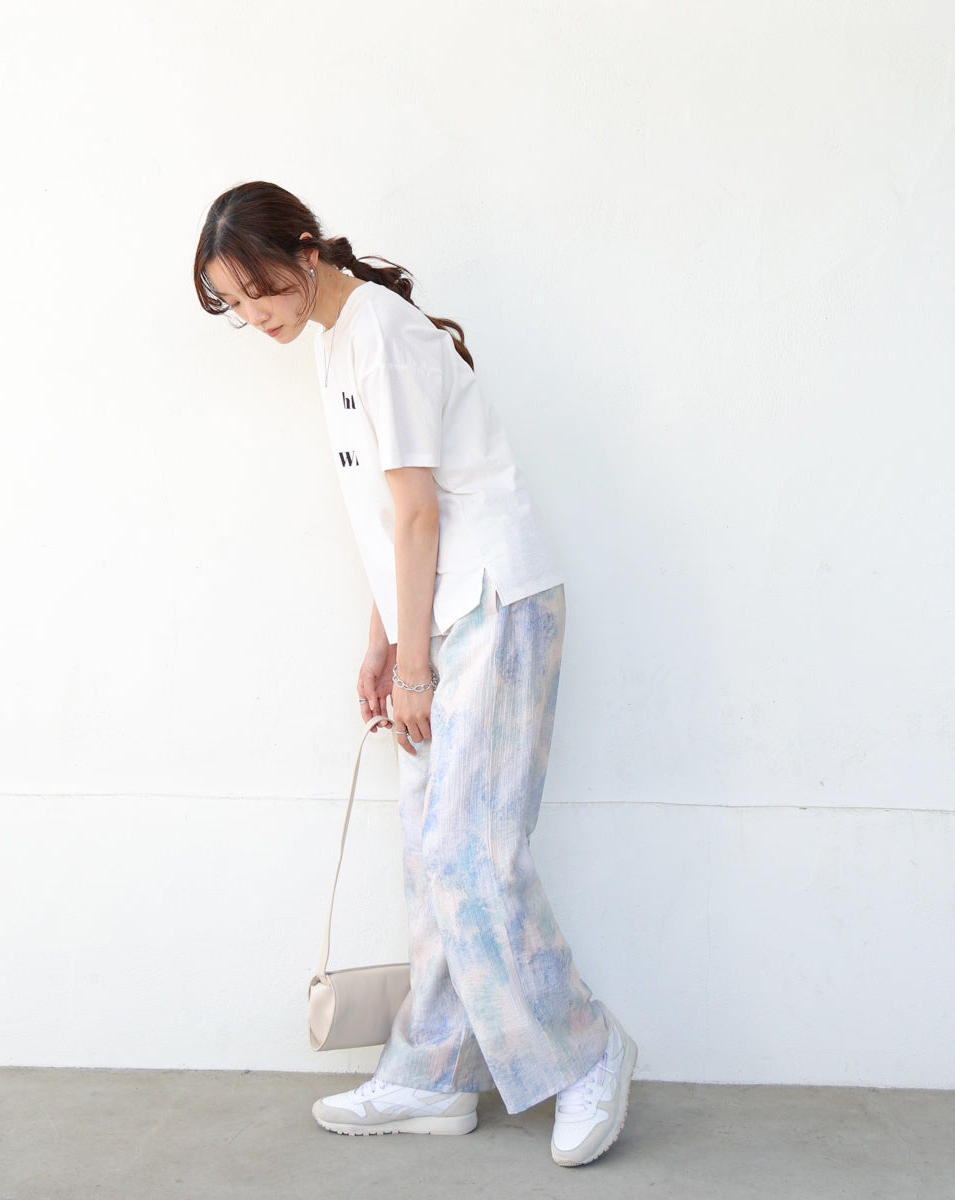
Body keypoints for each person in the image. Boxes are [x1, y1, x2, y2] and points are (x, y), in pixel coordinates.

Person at [193, 182, 636, 1167]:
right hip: (439, 615)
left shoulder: (381, 336)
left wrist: (417, 667)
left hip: (494, 604)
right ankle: (435, 1073)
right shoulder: (332, 340)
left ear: (305, 250)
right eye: (236, 302)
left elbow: (425, 512)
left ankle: (587, 1049)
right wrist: (386, 641)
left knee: (470, 853)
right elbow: (386, 516)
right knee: (434, 855)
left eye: (261, 289)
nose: (256, 315)